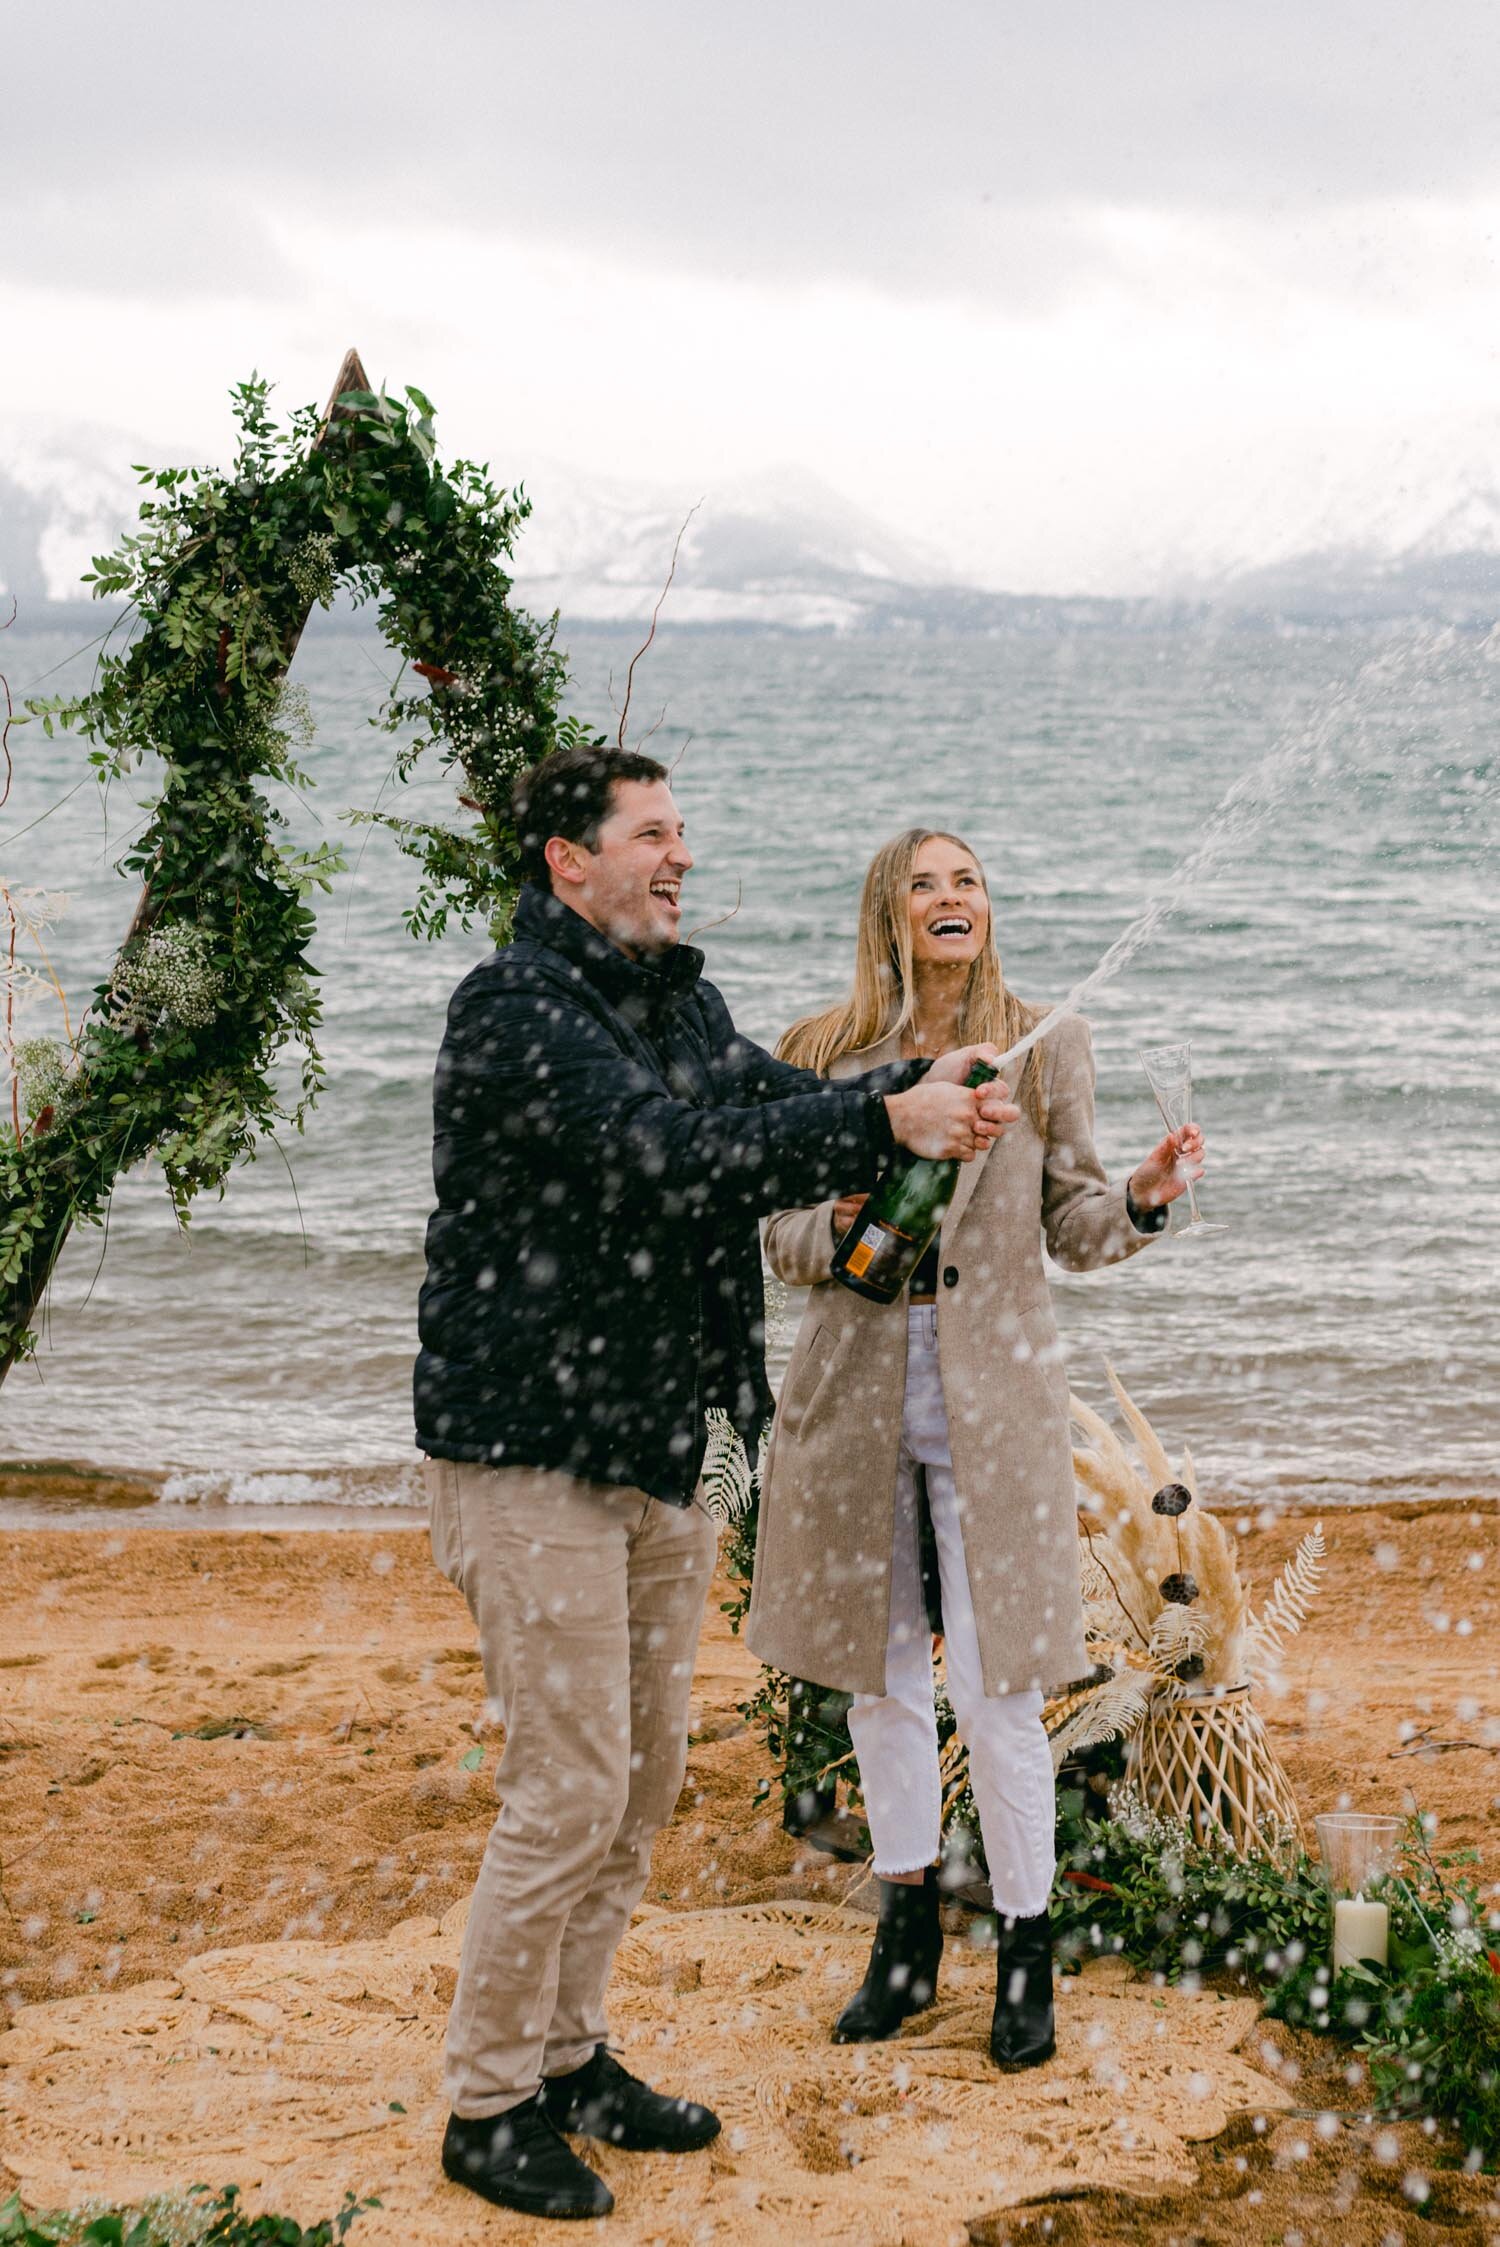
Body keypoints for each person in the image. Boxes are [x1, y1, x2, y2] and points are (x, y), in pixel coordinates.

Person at [416, 752, 1017, 2221]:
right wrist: (881, 1130)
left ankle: (571, 2054)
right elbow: (668, 1151)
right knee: (565, 1787)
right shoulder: (514, 1008)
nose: (681, 855)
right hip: (524, 1451)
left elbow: (758, 1097)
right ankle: (488, 2102)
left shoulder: (678, 997)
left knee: (643, 1780)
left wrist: (911, 1084)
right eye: (652, 834)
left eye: (683, 830)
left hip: (656, 1442)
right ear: (570, 860)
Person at [746, 826, 1205, 2071]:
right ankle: (901, 1942)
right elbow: (770, 1232)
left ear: (990, 910)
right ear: (886, 914)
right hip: (852, 1400)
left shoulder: (1044, 1044)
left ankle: (1024, 1953)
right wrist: (830, 1221)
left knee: (1000, 1686)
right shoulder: (824, 1054)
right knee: (881, 1679)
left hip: (993, 1404)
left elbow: (1073, 1224)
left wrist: (1148, 1198)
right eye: (924, 884)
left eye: (970, 882)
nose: (952, 900)